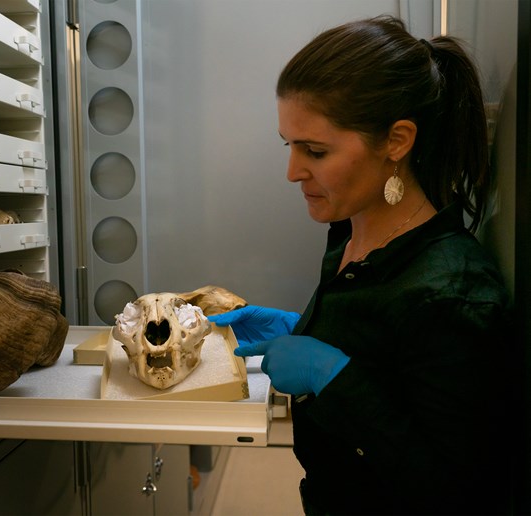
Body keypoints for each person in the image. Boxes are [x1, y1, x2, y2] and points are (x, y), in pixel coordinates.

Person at [209, 15, 519, 515]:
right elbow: (389, 355)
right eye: (288, 144)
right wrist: (310, 327)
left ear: (397, 141)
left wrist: (334, 377)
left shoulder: (452, 295)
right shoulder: (350, 232)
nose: (292, 172)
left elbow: (458, 493)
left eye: (315, 150)